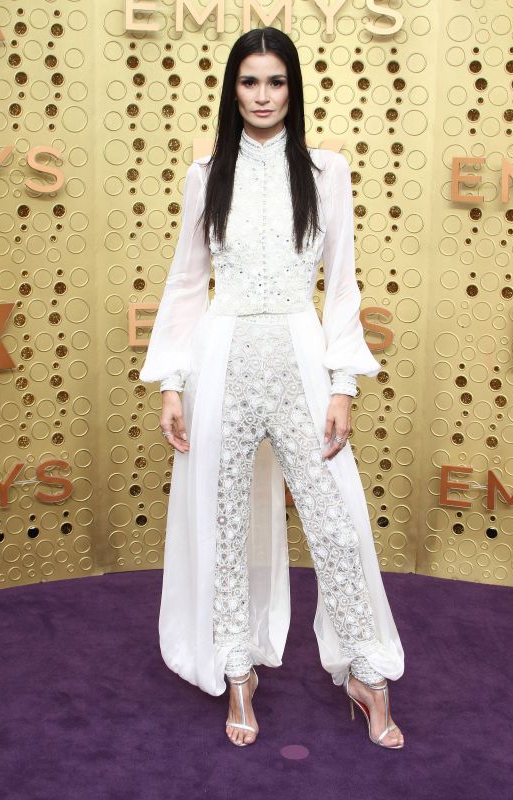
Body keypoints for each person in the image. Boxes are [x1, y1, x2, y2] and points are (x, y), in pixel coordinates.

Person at [139, 26, 405, 749]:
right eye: (249, 82)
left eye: (275, 82)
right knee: (223, 523)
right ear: (232, 89)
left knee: (334, 522)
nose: (262, 96)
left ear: (294, 88)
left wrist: (343, 383)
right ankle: (237, 670)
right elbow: (187, 284)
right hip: (220, 358)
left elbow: (342, 283)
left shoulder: (325, 170)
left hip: (298, 354)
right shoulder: (205, 173)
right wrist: (171, 381)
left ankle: (364, 671)